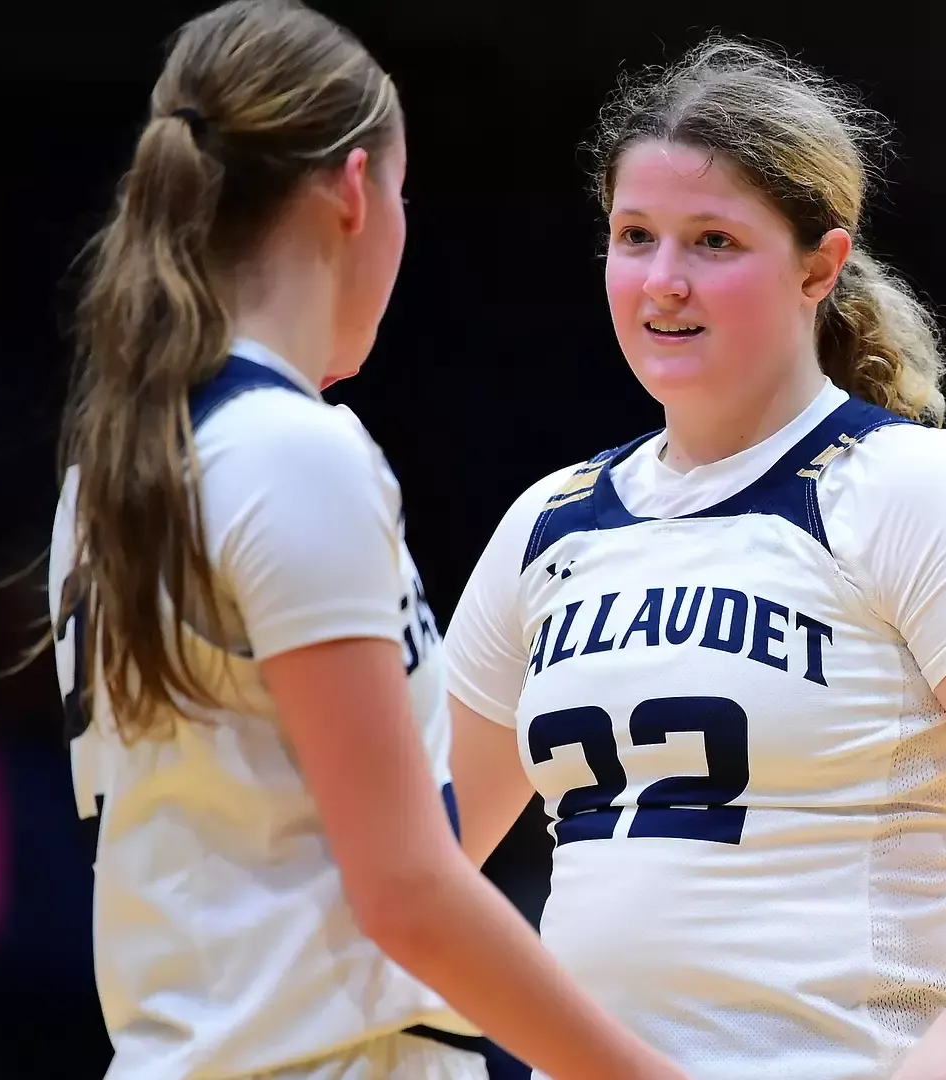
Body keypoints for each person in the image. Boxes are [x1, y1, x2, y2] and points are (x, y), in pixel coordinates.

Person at [444, 37, 946, 1080]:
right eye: (634, 236)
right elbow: (419, 864)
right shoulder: (549, 523)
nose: (662, 281)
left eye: (712, 242)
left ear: (819, 267)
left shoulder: (913, 491)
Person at [45, 3, 690, 1078]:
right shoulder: (294, 454)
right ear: (354, 192)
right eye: (403, 192)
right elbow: (407, 892)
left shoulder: (113, 465)